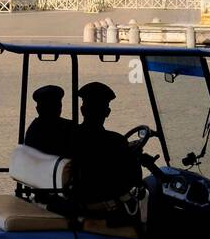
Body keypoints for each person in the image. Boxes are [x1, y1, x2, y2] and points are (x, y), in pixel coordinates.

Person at [71, 82, 142, 213]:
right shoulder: (116, 141)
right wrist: (134, 155)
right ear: (107, 112)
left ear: (82, 110)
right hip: (105, 207)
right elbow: (135, 180)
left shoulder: (70, 135)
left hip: (79, 199)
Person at [23, 85, 75, 157]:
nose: (58, 109)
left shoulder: (69, 125)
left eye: (58, 105)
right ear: (39, 109)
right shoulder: (35, 130)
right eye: (54, 106)